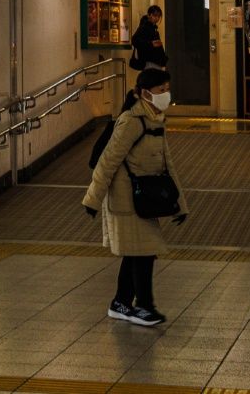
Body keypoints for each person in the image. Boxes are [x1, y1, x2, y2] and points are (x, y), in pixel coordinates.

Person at [82, 68, 188, 327]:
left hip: (144, 199)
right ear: (144, 93)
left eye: (167, 89)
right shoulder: (131, 121)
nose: (166, 95)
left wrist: (179, 205)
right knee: (143, 251)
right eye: (161, 90)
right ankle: (143, 306)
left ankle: (121, 303)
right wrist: (92, 200)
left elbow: (168, 165)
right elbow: (107, 161)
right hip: (125, 199)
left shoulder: (155, 119)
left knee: (137, 251)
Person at [130, 5, 168, 70]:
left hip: (154, 62)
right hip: (149, 62)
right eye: (155, 15)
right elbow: (134, 40)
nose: (157, 18)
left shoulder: (153, 28)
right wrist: (151, 44)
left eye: (159, 16)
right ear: (149, 15)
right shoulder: (144, 27)